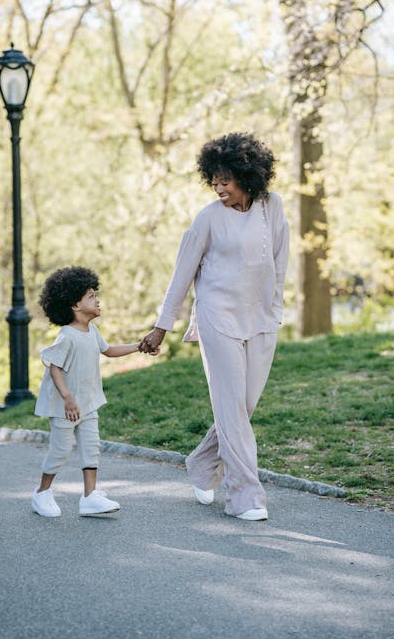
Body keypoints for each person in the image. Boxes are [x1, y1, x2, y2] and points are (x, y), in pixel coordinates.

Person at [139, 132, 289, 521]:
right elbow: (181, 275)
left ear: (247, 175)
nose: (219, 187)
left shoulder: (271, 208)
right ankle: (245, 496)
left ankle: (202, 464)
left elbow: (280, 263)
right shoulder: (207, 218)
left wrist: (274, 311)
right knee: (230, 408)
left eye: (226, 179)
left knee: (243, 406)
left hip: (260, 319)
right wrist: (162, 327)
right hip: (216, 318)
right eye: (214, 180)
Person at [31, 266, 157, 518]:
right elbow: (54, 368)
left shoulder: (93, 332)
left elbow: (108, 350)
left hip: (87, 403)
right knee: (61, 450)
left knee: (91, 446)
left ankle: (89, 497)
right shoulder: (66, 336)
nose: (97, 299)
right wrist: (67, 398)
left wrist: (138, 347)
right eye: (90, 295)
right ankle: (42, 493)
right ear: (74, 305)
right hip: (65, 406)